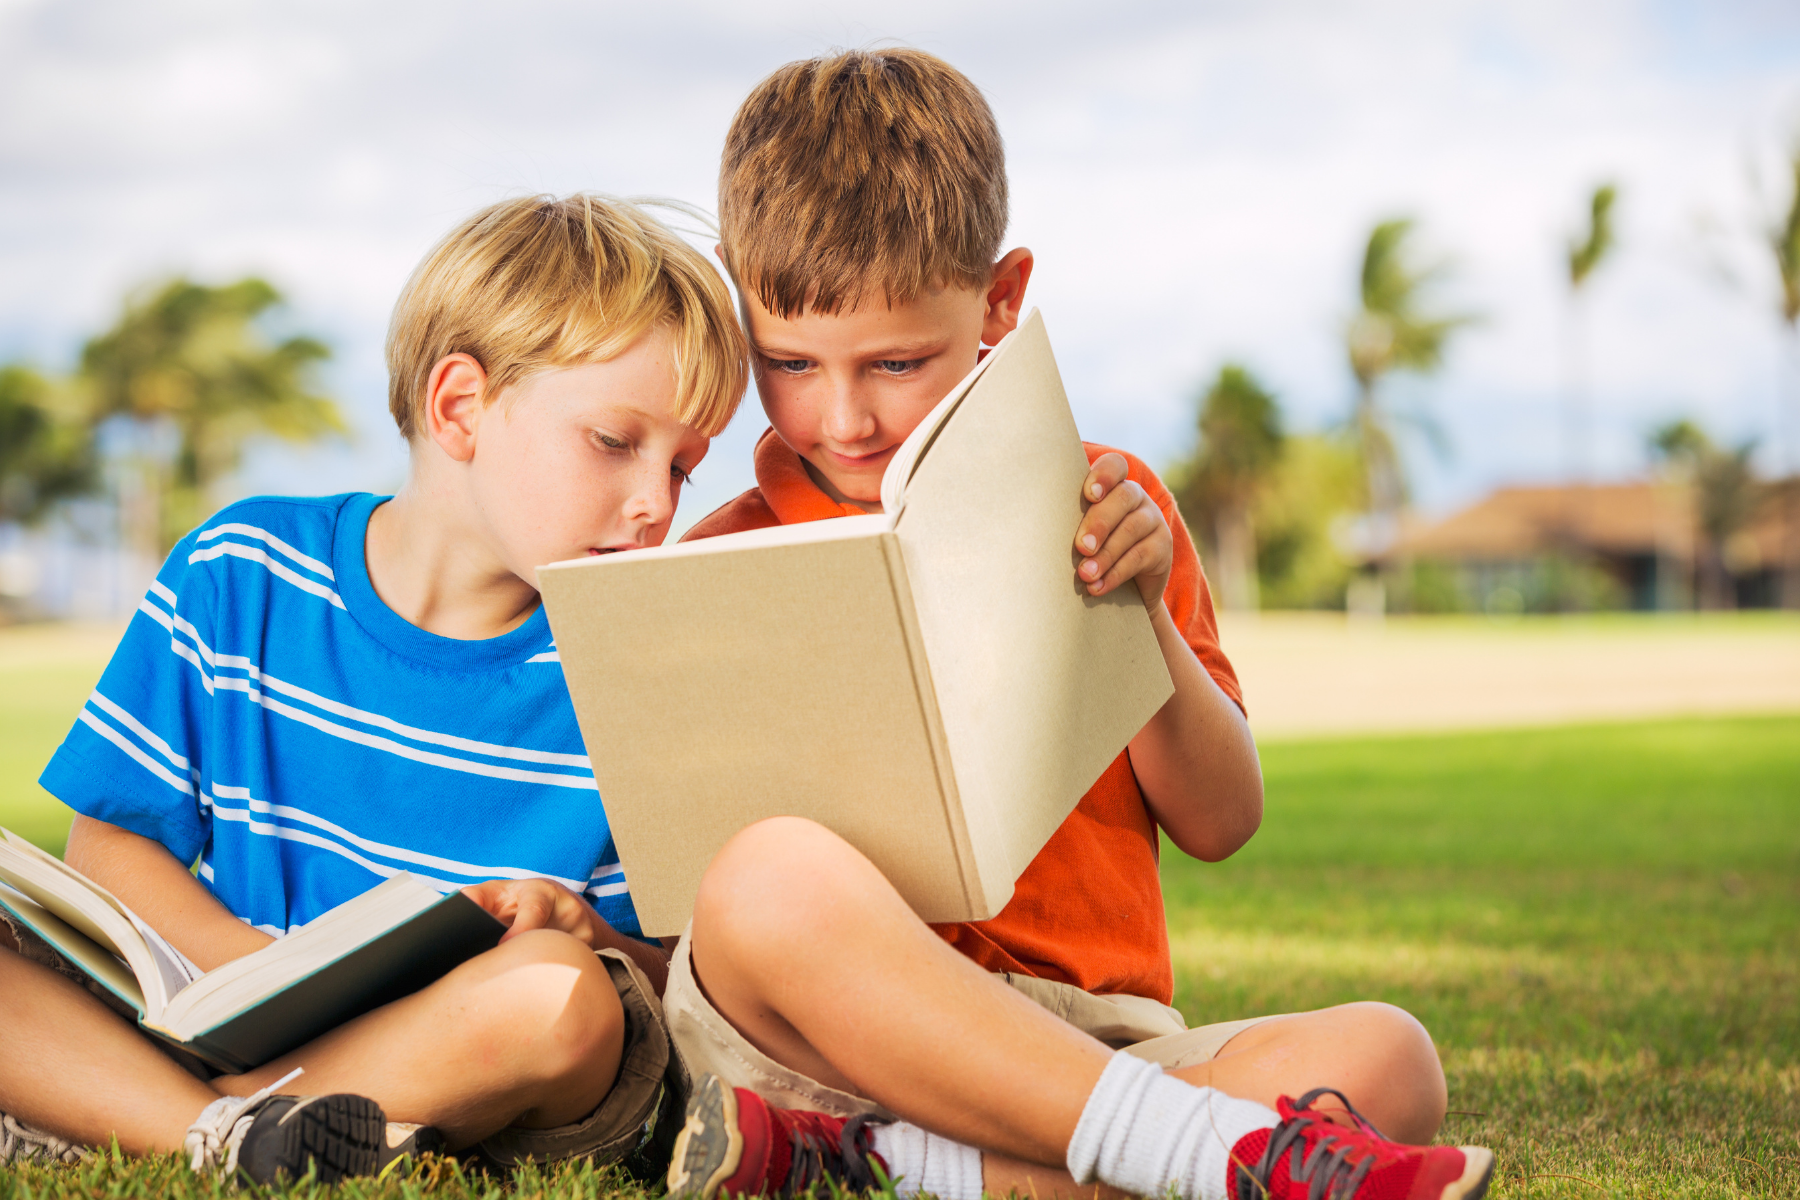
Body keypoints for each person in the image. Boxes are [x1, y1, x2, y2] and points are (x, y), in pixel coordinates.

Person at [660, 49, 1494, 1200]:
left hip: (1096, 1038)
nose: (841, 417)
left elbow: (1222, 820)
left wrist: (1137, 617)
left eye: (897, 362)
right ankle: (1163, 1154)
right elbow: (677, 875)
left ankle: (905, 1172)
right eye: (790, 363)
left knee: (1387, 1057)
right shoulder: (712, 559)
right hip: (832, 1045)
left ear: (1002, 300)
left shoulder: (1110, 503)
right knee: (765, 878)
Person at [6, 192, 746, 1178]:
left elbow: (672, 986)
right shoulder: (243, 569)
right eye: (616, 442)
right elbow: (110, 842)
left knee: (565, 995)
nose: (655, 503)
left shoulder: (628, 671)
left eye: (684, 468)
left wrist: (589, 928)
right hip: (219, 998)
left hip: (466, 1045)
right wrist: (253, 978)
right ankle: (235, 1137)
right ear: (460, 407)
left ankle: (174, 1117)